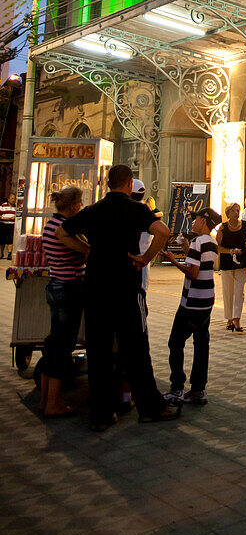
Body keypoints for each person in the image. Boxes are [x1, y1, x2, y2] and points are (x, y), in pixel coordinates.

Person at [57, 163, 179, 430]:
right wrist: (146, 258)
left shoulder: (92, 211)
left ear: (108, 184)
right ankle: (148, 407)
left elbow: (61, 232)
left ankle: (101, 414)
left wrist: (86, 250)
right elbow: (163, 232)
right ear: (128, 183)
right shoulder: (136, 209)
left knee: (98, 352)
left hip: (96, 289)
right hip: (125, 288)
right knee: (135, 350)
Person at [162, 206, 219, 406]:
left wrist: (173, 260)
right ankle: (197, 390)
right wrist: (187, 249)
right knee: (201, 345)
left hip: (192, 302)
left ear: (203, 221)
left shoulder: (198, 242)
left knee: (175, 343)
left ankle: (177, 388)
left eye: (195, 219)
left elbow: (193, 273)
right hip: (207, 301)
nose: (193, 222)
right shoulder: (211, 242)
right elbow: (201, 264)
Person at [39, 186, 86, 416]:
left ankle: (46, 398)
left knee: (54, 342)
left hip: (55, 284)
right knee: (63, 345)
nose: (81, 207)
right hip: (68, 288)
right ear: (73, 205)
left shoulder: (49, 225)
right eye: (80, 203)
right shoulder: (62, 229)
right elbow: (83, 250)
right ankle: (53, 403)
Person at [216, 203, 246, 331]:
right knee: (228, 291)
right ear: (228, 213)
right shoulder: (223, 227)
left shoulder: (244, 225)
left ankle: (237, 319)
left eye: (237, 210)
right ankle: (229, 319)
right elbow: (217, 246)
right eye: (233, 211)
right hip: (227, 262)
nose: (236, 213)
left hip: (242, 262)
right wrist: (230, 251)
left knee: (239, 291)